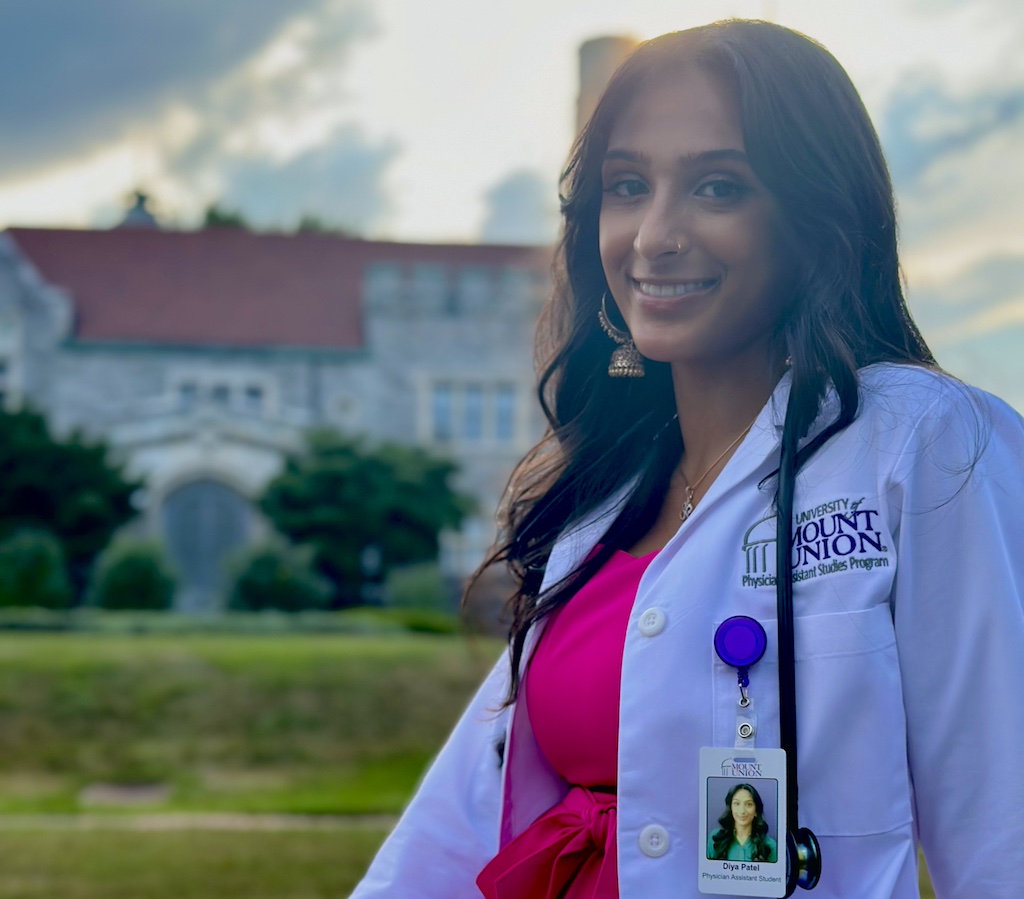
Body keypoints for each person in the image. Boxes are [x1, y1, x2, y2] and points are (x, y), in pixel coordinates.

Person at [351, 19, 1024, 899]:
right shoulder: (598, 498)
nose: (654, 236)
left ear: (815, 216)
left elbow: (1003, 826)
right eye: (627, 186)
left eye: (717, 186)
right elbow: (452, 829)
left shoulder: (921, 443)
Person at [708, 783, 777, 863]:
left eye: (749, 804)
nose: (742, 811)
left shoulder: (769, 845)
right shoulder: (716, 838)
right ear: (730, 808)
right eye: (737, 804)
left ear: (756, 811)